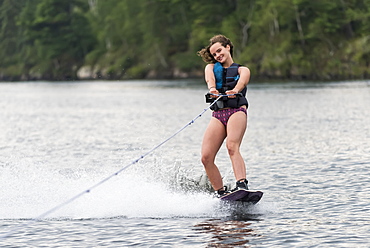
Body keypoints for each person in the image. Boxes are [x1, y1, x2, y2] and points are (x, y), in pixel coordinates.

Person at [197, 34, 251, 197]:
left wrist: (235, 90)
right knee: (206, 157)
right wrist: (213, 89)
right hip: (218, 115)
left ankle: (241, 184)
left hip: (236, 112)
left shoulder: (243, 70)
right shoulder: (211, 68)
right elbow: (210, 80)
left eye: (219, 50)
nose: (218, 55)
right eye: (214, 54)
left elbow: (242, 82)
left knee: (231, 146)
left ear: (228, 47)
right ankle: (220, 192)